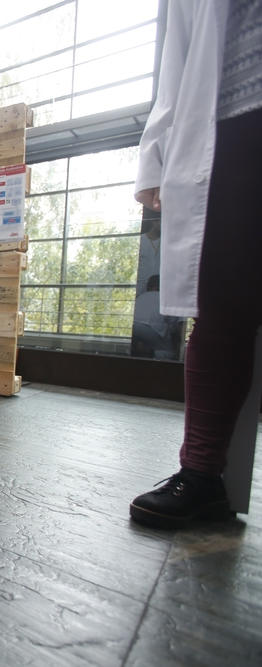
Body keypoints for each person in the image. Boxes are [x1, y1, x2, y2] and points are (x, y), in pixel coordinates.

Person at [129, 0, 261, 529]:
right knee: (220, 302)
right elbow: (177, 52)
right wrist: (155, 155)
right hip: (230, 121)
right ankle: (202, 473)